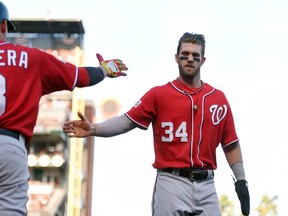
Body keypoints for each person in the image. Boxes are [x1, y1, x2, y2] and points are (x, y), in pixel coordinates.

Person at [63, 32, 250, 216]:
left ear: (203, 60)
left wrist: (240, 180)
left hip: (207, 183)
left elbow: (230, 143)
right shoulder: (159, 94)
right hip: (171, 181)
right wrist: (95, 128)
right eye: (185, 54)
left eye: (195, 55)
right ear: (176, 58)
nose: (190, 59)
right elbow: (127, 121)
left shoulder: (218, 98)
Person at [0, 1, 128, 216]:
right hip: (10, 146)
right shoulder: (32, 58)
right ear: (4, 26)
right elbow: (82, 77)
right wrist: (104, 70)